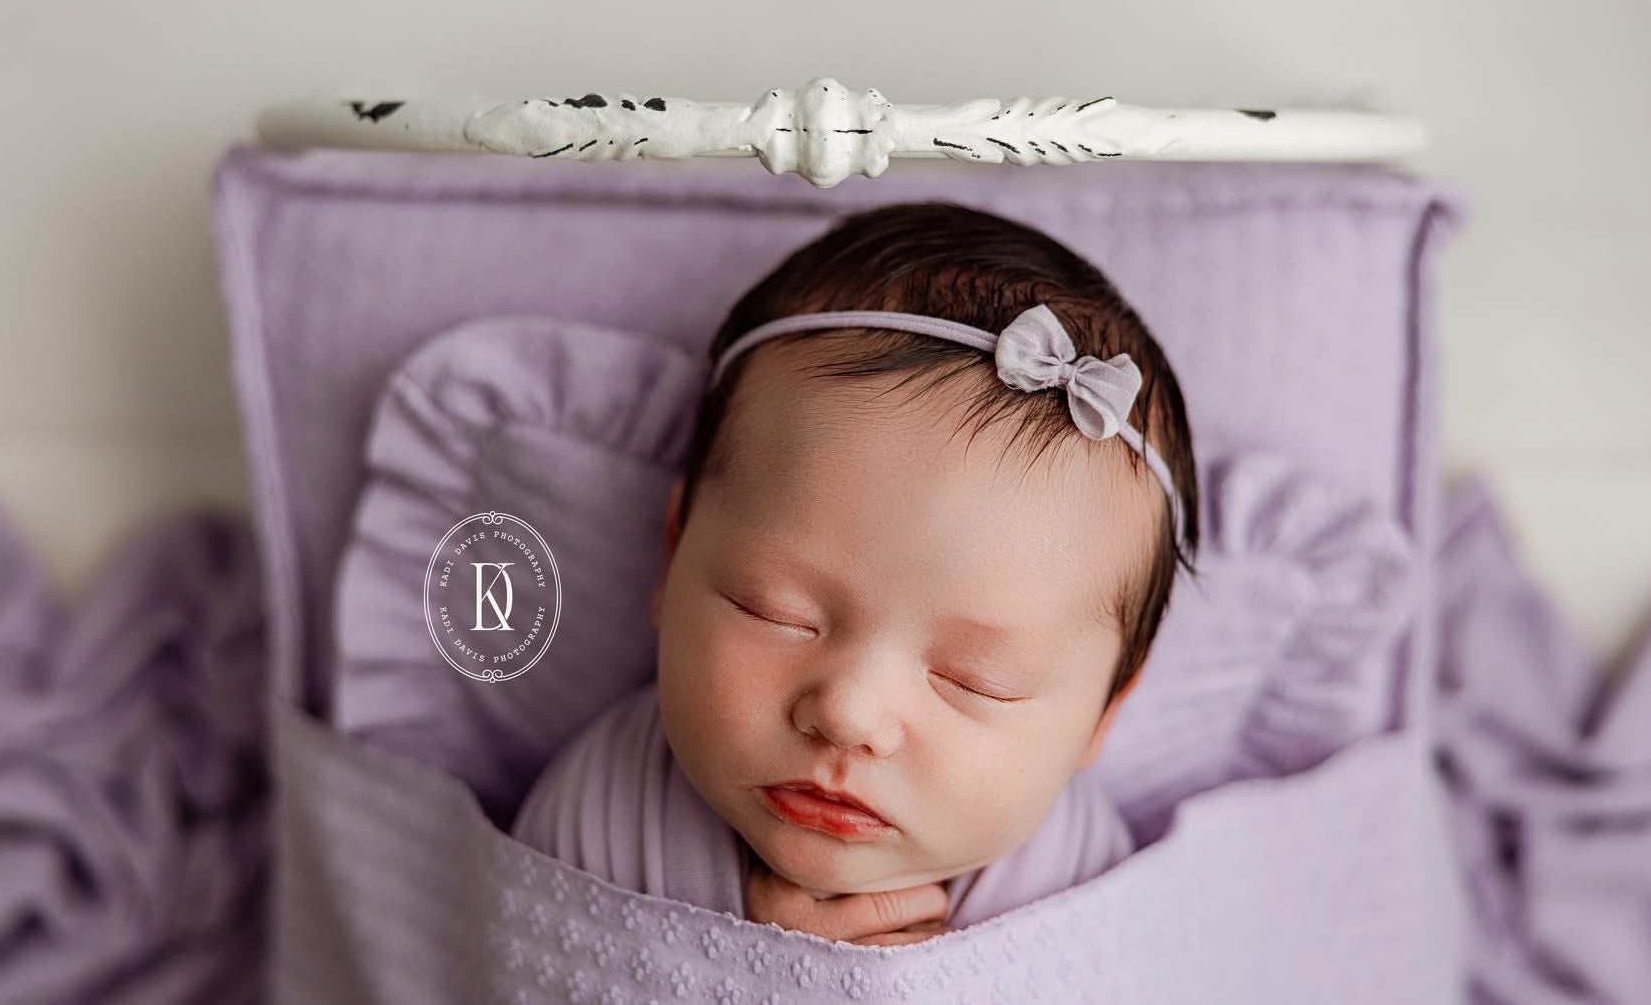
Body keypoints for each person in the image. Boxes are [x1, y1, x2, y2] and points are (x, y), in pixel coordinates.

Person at [510, 200, 1201, 945]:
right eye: (775, 611)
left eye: (976, 679)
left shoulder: (1083, 890)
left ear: (1105, 712)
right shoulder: (609, 810)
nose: (849, 713)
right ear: (674, 554)